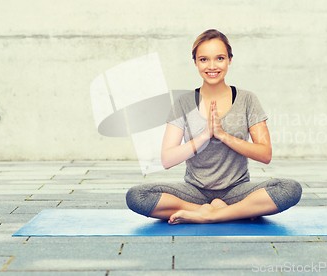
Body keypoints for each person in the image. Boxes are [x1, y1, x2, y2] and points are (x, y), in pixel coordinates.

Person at [126, 29, 302, 224]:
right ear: (195, 62)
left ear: (229, 60)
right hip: (194, 192)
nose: (212, 66)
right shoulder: (183, 103)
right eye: (204, 59)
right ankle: (223, 212)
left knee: (290, 189)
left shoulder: (247, 99)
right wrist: (204, 135)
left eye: (219, 58)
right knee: (137, 196)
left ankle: (210, 215)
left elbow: (265, 154)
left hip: (237, 190)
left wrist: (223, 135)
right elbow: (167, 159)